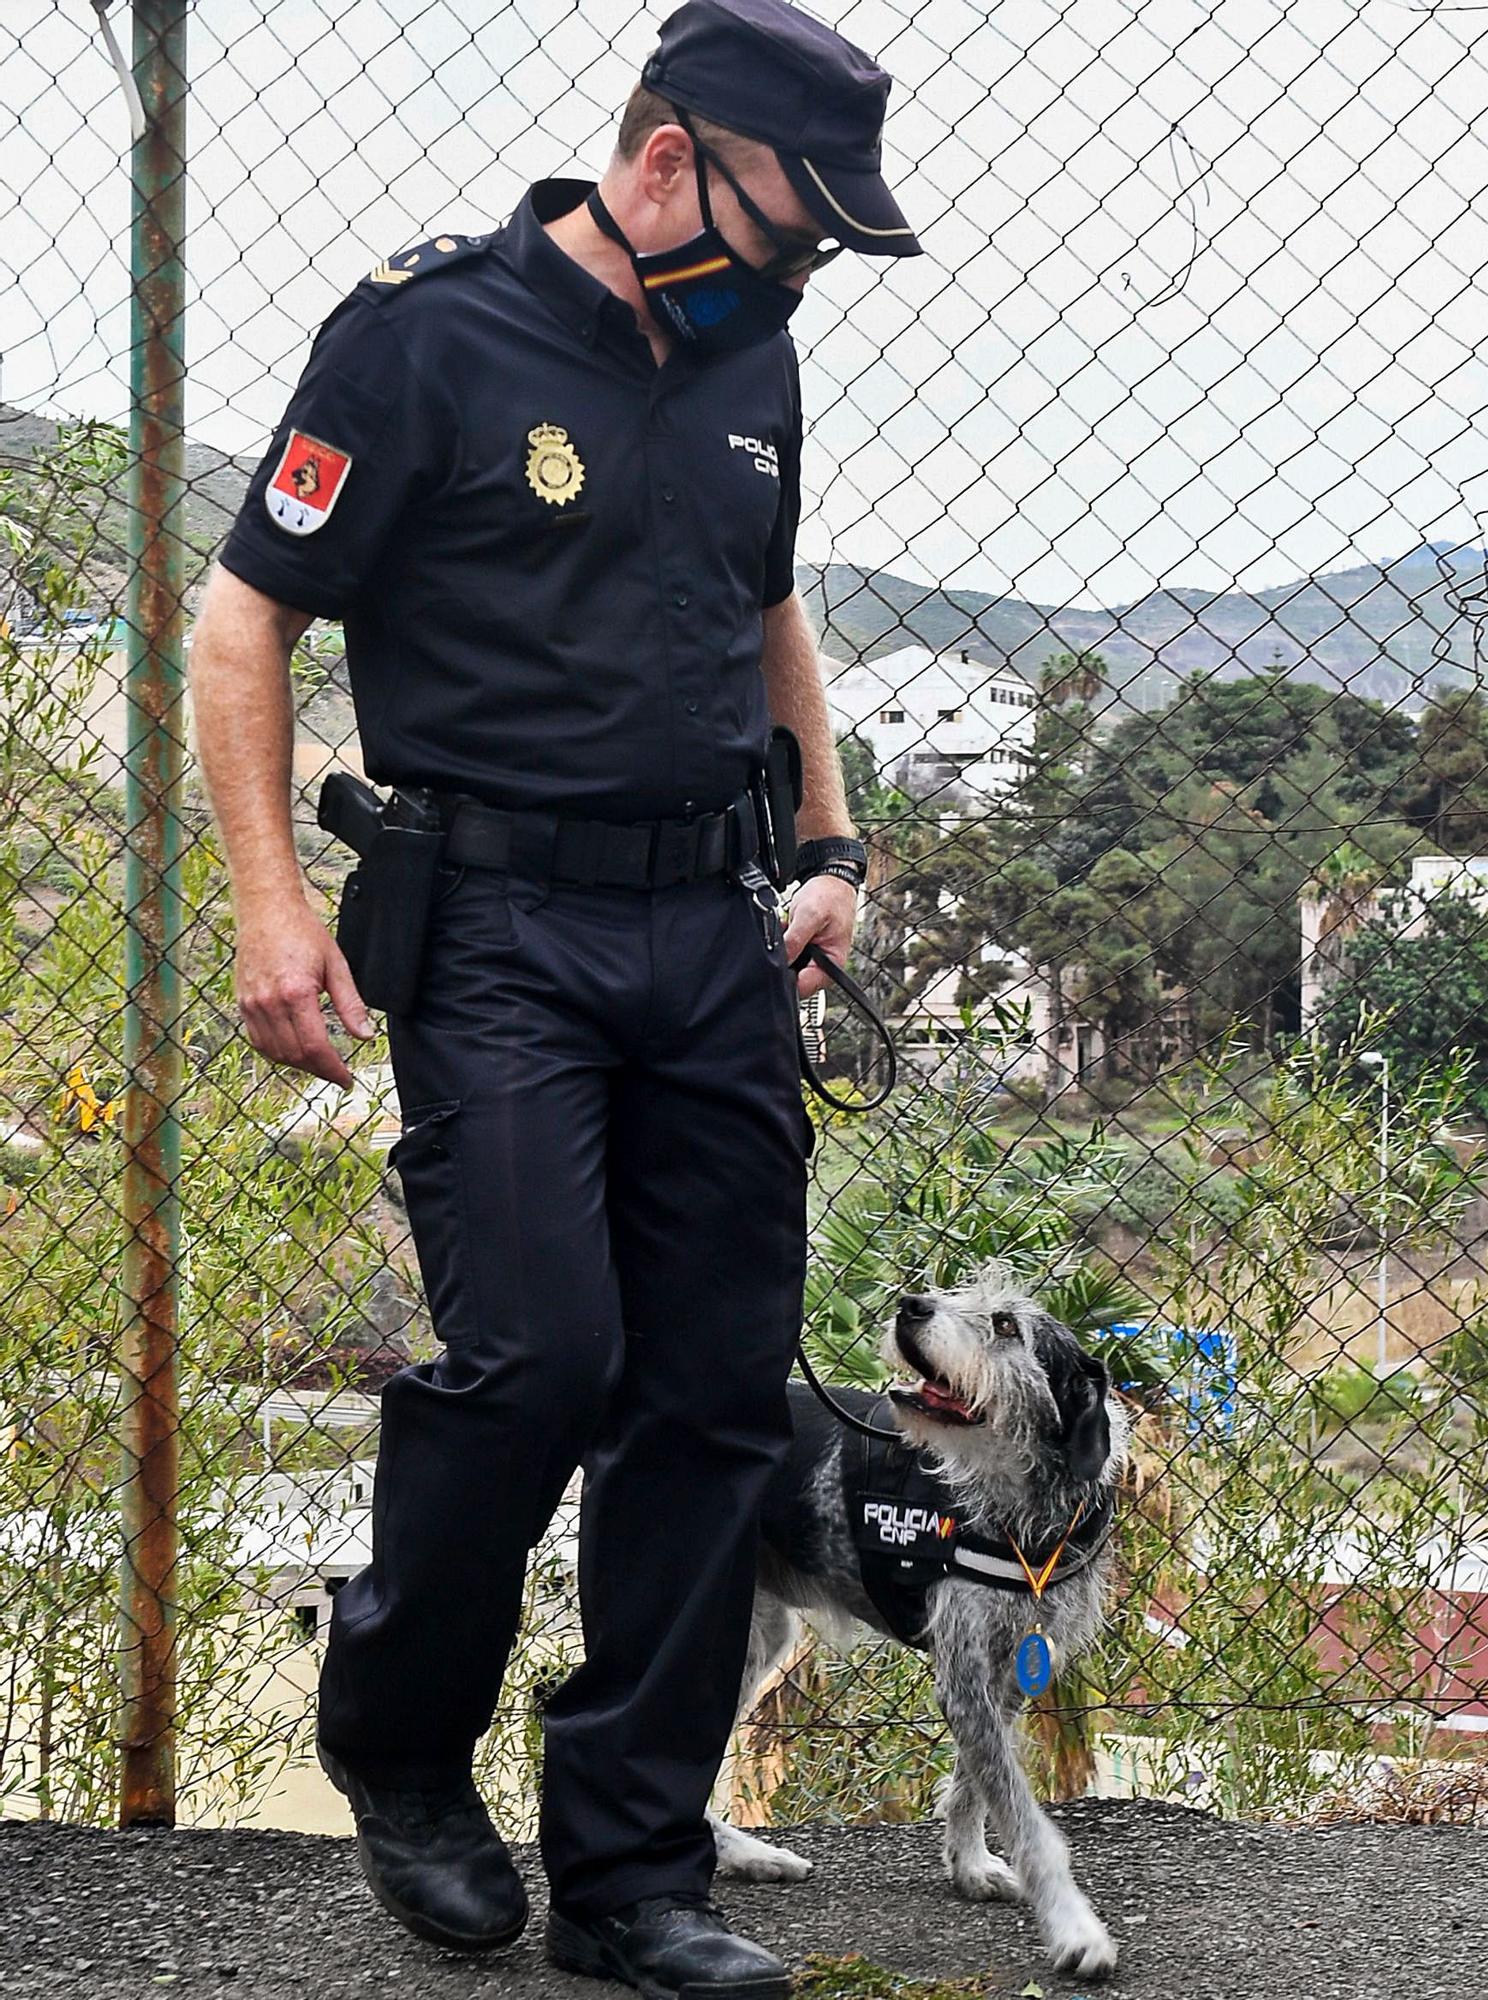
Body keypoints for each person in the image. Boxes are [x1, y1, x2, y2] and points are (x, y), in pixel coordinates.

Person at [188, 1, 921, 1993]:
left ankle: (630, 1871)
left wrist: (832, 848)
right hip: (499, 926)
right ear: (670, 154)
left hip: (713, 937)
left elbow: (772, 601)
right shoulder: (425, 335)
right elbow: (245, 610)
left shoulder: (748, 349)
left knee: (706, 1393)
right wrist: (272, 907)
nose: (809, 259)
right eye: (794, 216)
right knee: (539, 1355)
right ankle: (402, 1737)